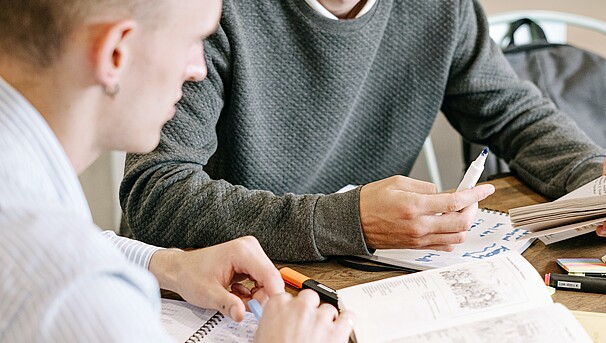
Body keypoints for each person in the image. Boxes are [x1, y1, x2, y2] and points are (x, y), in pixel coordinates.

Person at [121, 0, 606, 262]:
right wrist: (347, 220)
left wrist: (595, 179)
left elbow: (511, 112)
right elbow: (155, 196)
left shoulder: (442, 9)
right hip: (212, 286)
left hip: (366, 277)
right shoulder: (208, 11)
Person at [0, 0, 353, 341]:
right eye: (193, 40)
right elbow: (65, 266)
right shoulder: (80, 294)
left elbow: (64, 242)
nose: (199, 68)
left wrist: (169, 265)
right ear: (115, 54)